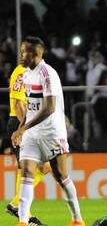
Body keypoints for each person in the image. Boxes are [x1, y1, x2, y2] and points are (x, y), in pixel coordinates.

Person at [11, 36, 84, 226]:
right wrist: (21, 129)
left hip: (52, 133)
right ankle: (23, 221)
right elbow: (32, 106)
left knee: (60, 176)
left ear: (35, 54)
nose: (20, 54)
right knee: (26, 172)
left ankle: (77, 219)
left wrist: (24, 127)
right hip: (32, 134)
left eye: (24, 51)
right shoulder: (25, 73)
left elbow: (49, 107)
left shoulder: (47, 74)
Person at [3, 62, 51, 225]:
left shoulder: (31, 73)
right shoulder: (21, 72)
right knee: (46, 166)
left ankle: (23, 212)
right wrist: (24, 128)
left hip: (25, 123)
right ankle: (17, 206)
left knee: (25, 170)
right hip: (20, 122)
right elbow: (18, 104)